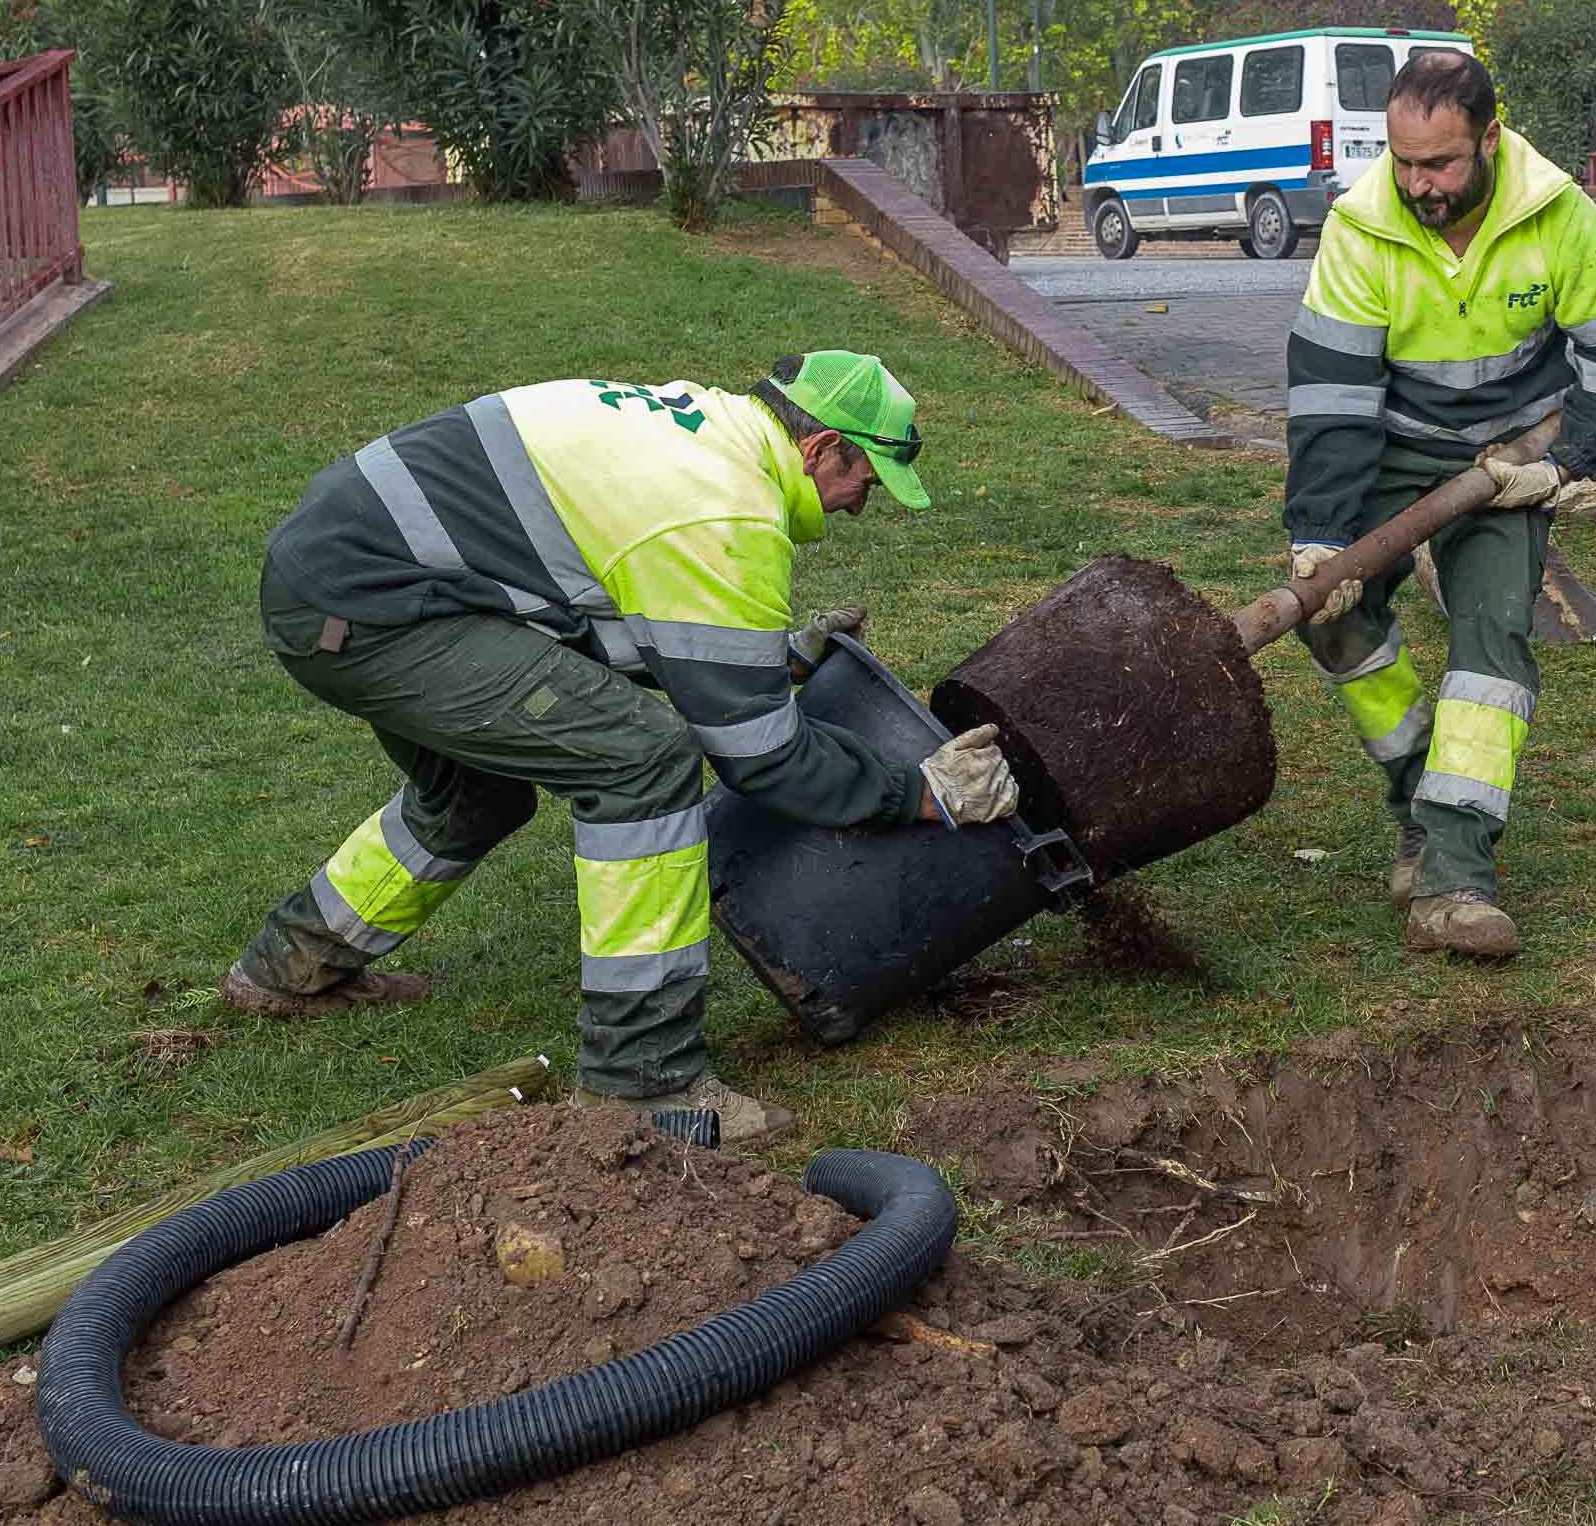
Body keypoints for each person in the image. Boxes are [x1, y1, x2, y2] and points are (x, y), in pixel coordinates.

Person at [221, 352, 1021, 1132]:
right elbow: (762, 757)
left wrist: (773, 660)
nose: (860, 506)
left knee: (475, 795)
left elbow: (608, 610)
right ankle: (644, 1081)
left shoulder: (705, 438)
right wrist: (922, 792)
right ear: (818, 449)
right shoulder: (727, 508)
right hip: (376, 608)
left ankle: (291, 968)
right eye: (864, 482)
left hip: (349, 575)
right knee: (642, 759)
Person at [1283, 49, 1596, 961]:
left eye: (1442, 163)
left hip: (1509, 464)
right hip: (1390, 452)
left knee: (1491, 651)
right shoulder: (1360, 228)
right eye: (1405, 162)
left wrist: (1564, 465)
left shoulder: (1561, 218)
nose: (1420, 184)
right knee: (1332, 620)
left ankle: (1455, 879)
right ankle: (1419, 793)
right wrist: (1321, 538)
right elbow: (1333, 400)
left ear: (1490, 138)